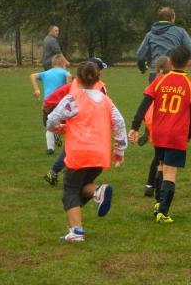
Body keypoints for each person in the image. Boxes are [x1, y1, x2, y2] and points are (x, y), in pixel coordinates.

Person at [46, 61, 127, 242]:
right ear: (98, 78)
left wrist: (58, 128)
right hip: (100, 155)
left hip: (79, 153)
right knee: (81, 187)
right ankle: (97, 192)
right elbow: (119, 123)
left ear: (78, 79)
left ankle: (77, 231)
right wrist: (119, 151)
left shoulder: (73, 99)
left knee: (70, 190)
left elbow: (51, 119)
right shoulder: (106, 101)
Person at [129, 45, 191, 224]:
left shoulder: (160, 80)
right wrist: (189, 134)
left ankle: (157, 203)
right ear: (189, 62)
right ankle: (162, 212)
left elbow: (144, 104)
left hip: (159, 132)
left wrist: (134, 126)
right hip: (176, 135)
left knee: (161, 165)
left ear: (170, 61)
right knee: (171, 172)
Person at [42, 58, 108, 186]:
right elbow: (104, 104)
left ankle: (58, 172)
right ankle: (63, 172)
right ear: (97, 72)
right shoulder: (100, 87)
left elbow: (58, 94)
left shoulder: (74, 84)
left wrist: (47, 103)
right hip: (89, 124)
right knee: (80, 150)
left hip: (74, 122)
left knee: (72, 148)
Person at [137, 7, 191, 81]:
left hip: (155, 74)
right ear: (172, 18)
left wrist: (142, 68)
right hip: (174, 74)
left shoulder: (150, 34)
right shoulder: (180, 32)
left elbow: (140, 56)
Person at [138, 56, 172, 197]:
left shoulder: (154, 79)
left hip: (150, 118)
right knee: (164, 159)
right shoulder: (168, 82)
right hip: (161, 121)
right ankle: (159, 188)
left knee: (158, 157)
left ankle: (150, 185)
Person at [30, 53, 71, 154]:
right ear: (63, 64)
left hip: (47, 103)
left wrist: (36, 90)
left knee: (49, 125)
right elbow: (69, 78)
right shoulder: (65, 73)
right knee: (66, 124)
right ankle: (67, 146)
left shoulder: (46, 73)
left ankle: (50, 149)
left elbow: (32, 76)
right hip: (60, 103)